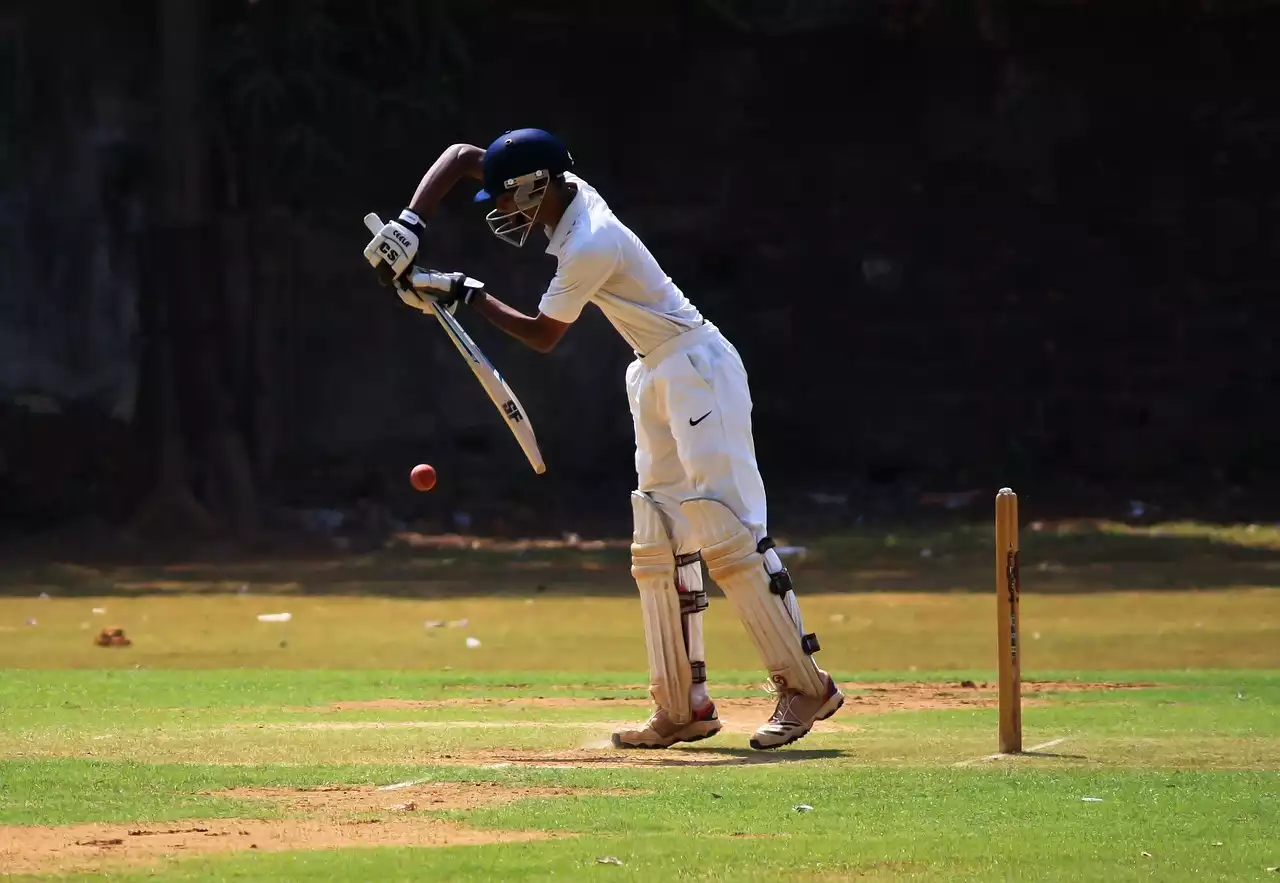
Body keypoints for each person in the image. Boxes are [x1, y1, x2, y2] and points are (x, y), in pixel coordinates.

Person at [363, 128, 844, 749]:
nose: (503, 213)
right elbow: (459, 157)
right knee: (658, 540)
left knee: (728, 532)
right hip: (651, 370)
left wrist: (463, 292)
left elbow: (543, 335)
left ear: (537, 188)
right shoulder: (558, 187)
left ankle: (806, 685)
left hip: (698, 367)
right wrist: (410, 224)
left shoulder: (590, 242)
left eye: (507, 201)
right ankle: (682, 707)